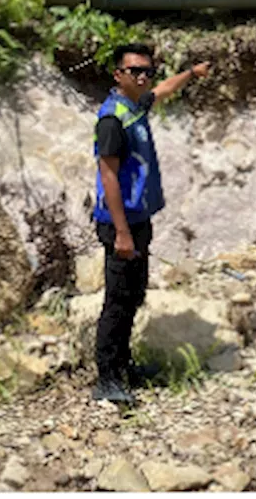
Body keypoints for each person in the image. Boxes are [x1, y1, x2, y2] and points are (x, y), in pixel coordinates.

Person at [90, 43, 211, 405]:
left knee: (134, 295)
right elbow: (108, 177)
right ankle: (106, 379)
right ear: (118, 75)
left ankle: (125, 366)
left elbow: (163, 90)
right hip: (120, 224)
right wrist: (122, 233)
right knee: (117, 300)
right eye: (134, 71)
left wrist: (191, 74)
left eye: (147, 70)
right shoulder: (112, 119)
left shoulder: (135, 105)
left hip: (139, 219)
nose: (142, 77)